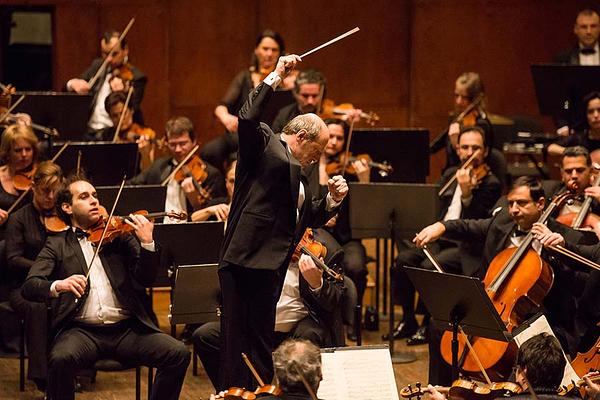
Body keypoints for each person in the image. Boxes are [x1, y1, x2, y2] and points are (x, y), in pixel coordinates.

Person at [217, 54, 347, 391]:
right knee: (236, 346)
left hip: (271, 267)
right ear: (302, 136)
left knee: (260, 344)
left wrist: (332, 201)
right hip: (245, 260)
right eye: (316, 149)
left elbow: (304, 220)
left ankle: (261, 396)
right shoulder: (263, 141)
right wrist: (275, 75)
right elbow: (246, 116)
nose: (317, 158)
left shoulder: (300, 178)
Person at [21, 175, 190, 400]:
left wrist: (147, 243)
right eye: (84, 196)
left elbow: (146, 279)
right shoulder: (57, 244)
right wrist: (58, 285)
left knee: (178, 353)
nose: (93, 200)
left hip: (127, 330)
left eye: (95, 195)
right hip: (81, 331)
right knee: (60, 358)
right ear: (67, 207)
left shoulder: (118, 236)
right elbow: (30, 286)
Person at [413, 176, 586, 385]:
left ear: (540, 204)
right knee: (438, 325)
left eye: (521, 203)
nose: (513, 209)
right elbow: (470, 227)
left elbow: (580, 285)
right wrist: (441, 226)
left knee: (518, 342)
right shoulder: (502, 222)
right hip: (496, 305)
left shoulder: (564, 237)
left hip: (542, 318)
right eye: (511, 203)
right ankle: (440, 388)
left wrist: (555, 254)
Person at [387, 126, 501, 345]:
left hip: (465, 245)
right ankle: (408, 318)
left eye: (475, 148)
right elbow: (435, 206)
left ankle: (429, 324)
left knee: (431, 268)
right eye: (465, 147)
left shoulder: (491, 183)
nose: (469, 153)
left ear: (485, 152)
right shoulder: (450, 174)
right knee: (403, 260)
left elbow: (475, 225)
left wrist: (467, 195)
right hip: (440, 238)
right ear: (458, 150)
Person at [193, 245, 345, 389]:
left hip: (297, 326)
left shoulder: (326, 247)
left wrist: (317, 283)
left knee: (308, 336)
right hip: (258, 322)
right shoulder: (260, 242)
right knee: (206, 336)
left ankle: (294, 395)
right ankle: (234, 390)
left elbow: (336, 300)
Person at [4, 161, 62, 391]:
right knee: (37, 308)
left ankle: (74, 368)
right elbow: (13, 258)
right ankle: (42, 377)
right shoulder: (19, 218)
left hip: (58, 285)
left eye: (54, 191)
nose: (50, 196)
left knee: (74, 300)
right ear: (33, 188)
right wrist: (42, 270)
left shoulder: (64, 215)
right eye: (44, 190)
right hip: (23, 288)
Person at [202, 29, 294, 171]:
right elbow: (221, 106)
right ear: (257, 51)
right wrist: (226, 118)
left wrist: (291, 88)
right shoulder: (245, 77)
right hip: (245, 133)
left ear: (280, 53)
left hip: (273, 135)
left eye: (274, 50)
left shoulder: (288, 81)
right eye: (265, 49)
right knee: (209, 152)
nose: (269, 54)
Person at [316, 118, 369, 340]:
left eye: (340, 138)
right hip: (317, 237)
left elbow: (366, 211)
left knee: (356, 266)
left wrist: (365, 180)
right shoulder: (309, 165)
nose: (335, 142)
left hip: (347, 238)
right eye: (331, 136)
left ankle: (353, 320)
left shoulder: (352, 169)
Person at [129, 116, 226, 222]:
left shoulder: (211, 174)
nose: (178, 149)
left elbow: (214, 216)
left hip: (191, 231)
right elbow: (133, 187)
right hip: (159, 229)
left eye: (183, 143)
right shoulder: (159, 167)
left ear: (194, 141)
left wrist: (194, 200)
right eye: (173, 144)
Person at [66, 30, 147, 133]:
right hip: (89, 131)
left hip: (113, 133)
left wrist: (122, 92)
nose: (109, 59)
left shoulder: (137, 77)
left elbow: (132, 109)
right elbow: (77, 87)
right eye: (105, 53)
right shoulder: (97, 66)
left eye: (114, 54)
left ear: (125, 50)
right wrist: (71, 84)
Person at [429, 72, 493, 173]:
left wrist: (455, 144)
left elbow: (472, 162)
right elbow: (435, 146)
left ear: (475, 98)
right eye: (456, 95)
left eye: (464, 97)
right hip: (449, 175)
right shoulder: (457, 119)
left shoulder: (481, 124)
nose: (458, 101)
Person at [84, 91, 157, 171]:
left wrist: (144, 154)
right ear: (110, 117)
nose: (120, 119)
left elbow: (148, 171)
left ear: (131, 110)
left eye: (123, 113)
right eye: (115, 116)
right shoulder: (106, 135)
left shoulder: (146, 133)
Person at [544, 146, 600, 239]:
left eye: (580, 170)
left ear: (590, 171)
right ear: (562, 174)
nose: (574, 176)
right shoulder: (550, 192)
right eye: (568, 171)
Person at [271, 69, 327, 134]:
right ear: (295, 93)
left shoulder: (328, 116)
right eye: (305, 96)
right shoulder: (284, 115)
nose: (310, 101)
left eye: (315, 96)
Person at [548, 92, 600, 158]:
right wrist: (571, 151)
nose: (596, 115)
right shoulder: (579, 138)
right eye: (590, 112)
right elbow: (551, 148)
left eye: (599, 110)